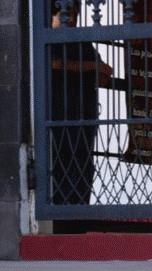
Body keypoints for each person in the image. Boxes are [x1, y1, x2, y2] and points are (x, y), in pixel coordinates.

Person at [49, 0, 112, 208]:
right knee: (58, 162)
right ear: (52, 15)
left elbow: (106, 72)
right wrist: (91, 68)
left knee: (83, 163)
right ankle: (58, 210)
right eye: (65, 14)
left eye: (74, 15)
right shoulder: (47, 40)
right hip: (56, 116)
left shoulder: (81, 43)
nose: (71, 20)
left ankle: (79, 210)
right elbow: (55, 64)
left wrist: (89, 69)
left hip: (83, 116)